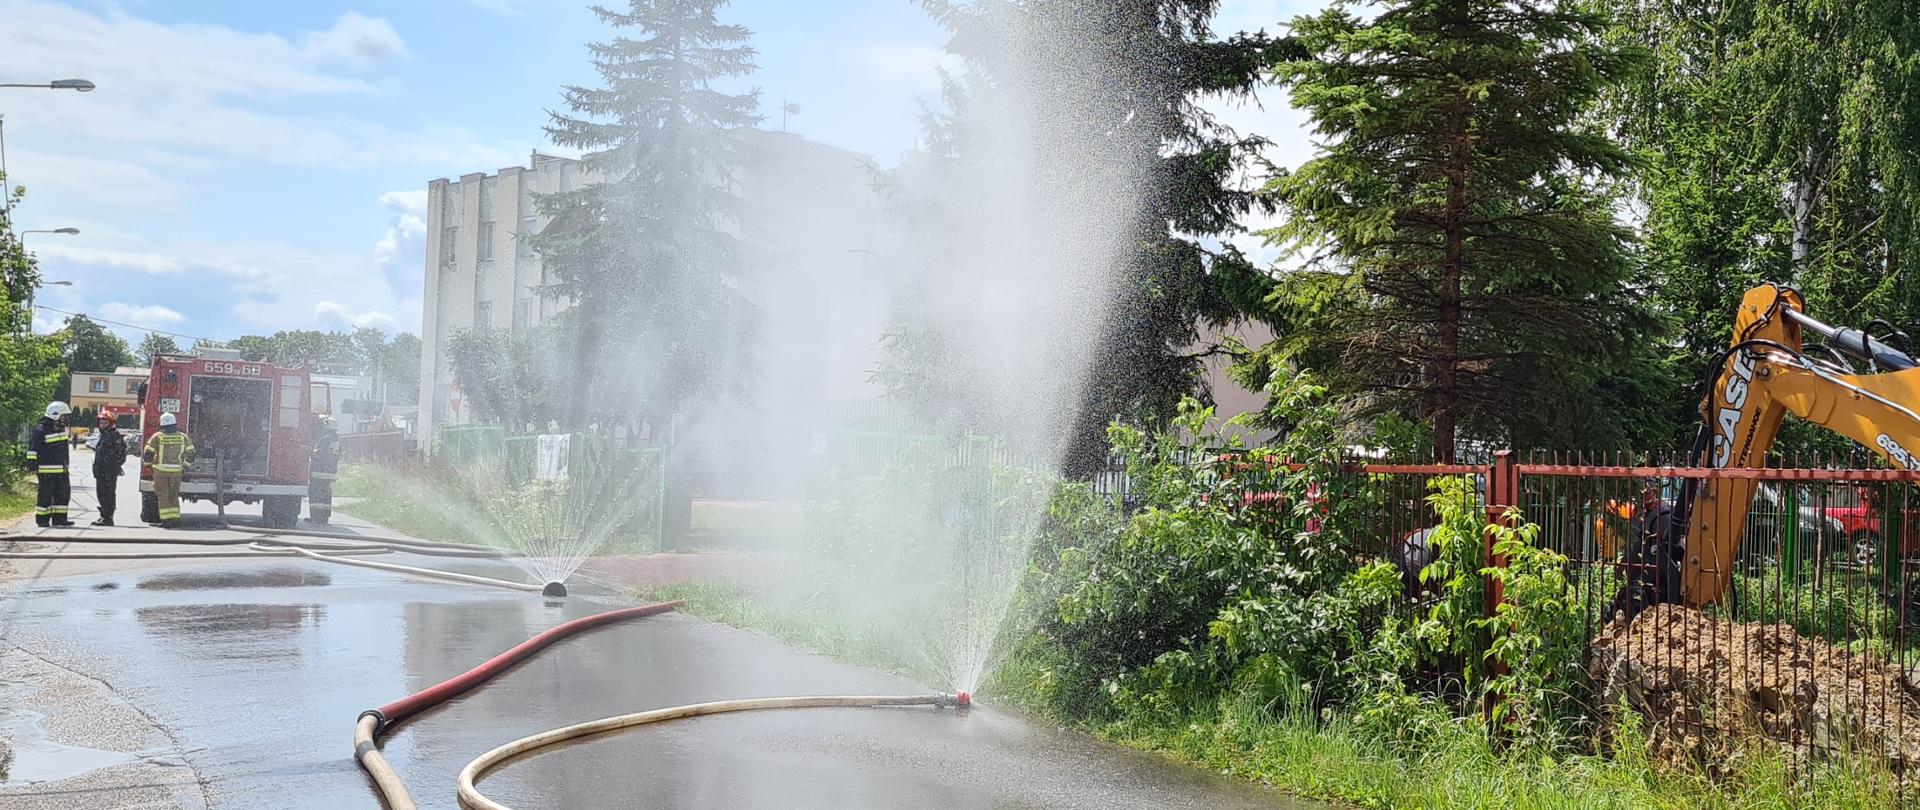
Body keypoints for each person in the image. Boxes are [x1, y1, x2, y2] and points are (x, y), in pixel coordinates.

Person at [1606, 477, 1685, 621]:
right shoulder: (1639, 514)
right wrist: (1624, 562)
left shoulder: (1664, 515)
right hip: (1636, 577)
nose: (1642, 496)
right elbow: (1633, 543)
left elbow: (1662, 551)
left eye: (1645, 492)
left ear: (1655, 491)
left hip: (1654, 583)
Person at [26, 401, 74, 527]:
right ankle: (42, 520)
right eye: (63, 415)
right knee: (45, 496)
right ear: (55, 414)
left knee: (63, 495)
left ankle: (60, 519)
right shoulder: (41, 430)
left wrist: (66, 466)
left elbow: (64, 451)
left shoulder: (61, 429)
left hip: (61, 471)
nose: (64, 418)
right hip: (46, 470)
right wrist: (33, 466)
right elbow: (32, 449)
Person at [143, 412, 195, 528]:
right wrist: (185, 465)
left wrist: (148, 465)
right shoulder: (183, 437)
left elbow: (148, 453)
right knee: (173, 495)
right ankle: (175, 519)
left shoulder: (157, 436)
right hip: (176, 472)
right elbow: (192, 453)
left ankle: (166, 521)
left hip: (160, 472)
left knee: (163, 495)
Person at [90, 412, 129, 527]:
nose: (102, 425)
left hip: (109, 471)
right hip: (100, 471)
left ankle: (108, 517)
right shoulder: (103, 435)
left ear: (111, 423)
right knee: (101, 493)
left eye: (105, 423)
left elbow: (122, 453)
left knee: (108, 494)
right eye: (101, 423)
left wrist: (114, 465)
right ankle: (104, 515)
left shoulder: (114, 436)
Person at [309, 413, 339, 524]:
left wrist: (312, 454)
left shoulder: (325, 439)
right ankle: (324, 517)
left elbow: (318, 454)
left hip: (319, 471)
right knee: (325, 494)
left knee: (315, 494)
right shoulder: (335, 439)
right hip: (330, 472)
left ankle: (315, 517)